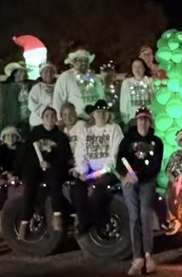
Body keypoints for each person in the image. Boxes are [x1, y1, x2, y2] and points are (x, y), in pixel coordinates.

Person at [116, 106, 164, 275]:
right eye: (140, 119)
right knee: (134, 216)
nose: (143, 122)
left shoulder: (157, 142)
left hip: (147, 182)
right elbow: (120, 160)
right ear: (136, 121)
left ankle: (149, 255)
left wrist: (140, 174)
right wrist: (126, 174)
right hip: (130, 181)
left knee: (145, 214)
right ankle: (137, 258)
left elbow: (156, 166)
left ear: (150, 121)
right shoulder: (127, 139)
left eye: (146, 119)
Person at [70, 100, 123, 236]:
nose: (101, 115)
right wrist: (83, 171)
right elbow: (80, 152)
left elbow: (115, 153)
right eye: (98, 112)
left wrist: (102, 171)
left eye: (104, 112)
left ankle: (96, 223)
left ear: (108, 114)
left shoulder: (114, 129)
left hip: (108, 171)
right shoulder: (86, 131)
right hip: (89, 171)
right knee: (76, 189)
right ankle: (84, 221)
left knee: (99, 191)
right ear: (93, 114)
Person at [18, 106, 72, 237]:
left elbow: (64, 156)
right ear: (42, 119)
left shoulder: (61, 137)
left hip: (53, 169)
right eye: (47, 116)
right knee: (29, 186)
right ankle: (24, 222)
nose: (50, 118)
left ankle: (57, 215)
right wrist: (36, 164)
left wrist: (50, 163)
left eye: (53, 116)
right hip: (36, 169)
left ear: (56, 119)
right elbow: (25, 154)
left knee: (55, 181)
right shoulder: (34, 134)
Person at [52, 46, 105, 114]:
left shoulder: (95, 78)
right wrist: (59, 119)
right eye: (80, 60)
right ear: (74, 62)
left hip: (96, 120)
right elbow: (58, 101)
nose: (83, 63)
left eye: (86, 60)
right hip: (75, 121)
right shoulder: (65, 77)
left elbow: (102, 98)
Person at [120, 58, 154, 125]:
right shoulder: (126, 83)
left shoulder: (150, 81)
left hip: (148, 119)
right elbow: (123, 102)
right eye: (134, 67)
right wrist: (125, 120)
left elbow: (154, 100)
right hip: (132, 120)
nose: (137, 69)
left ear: (144, 68)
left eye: (139, 67)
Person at [28, 63, 58, 127]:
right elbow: (31, 104)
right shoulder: (36, 88)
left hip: (55, 121)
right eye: (46, 72)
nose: (49, 74)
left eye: (51, 72)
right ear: (41, 74)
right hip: (38, 121)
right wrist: (45, 111)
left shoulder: (59, 86)